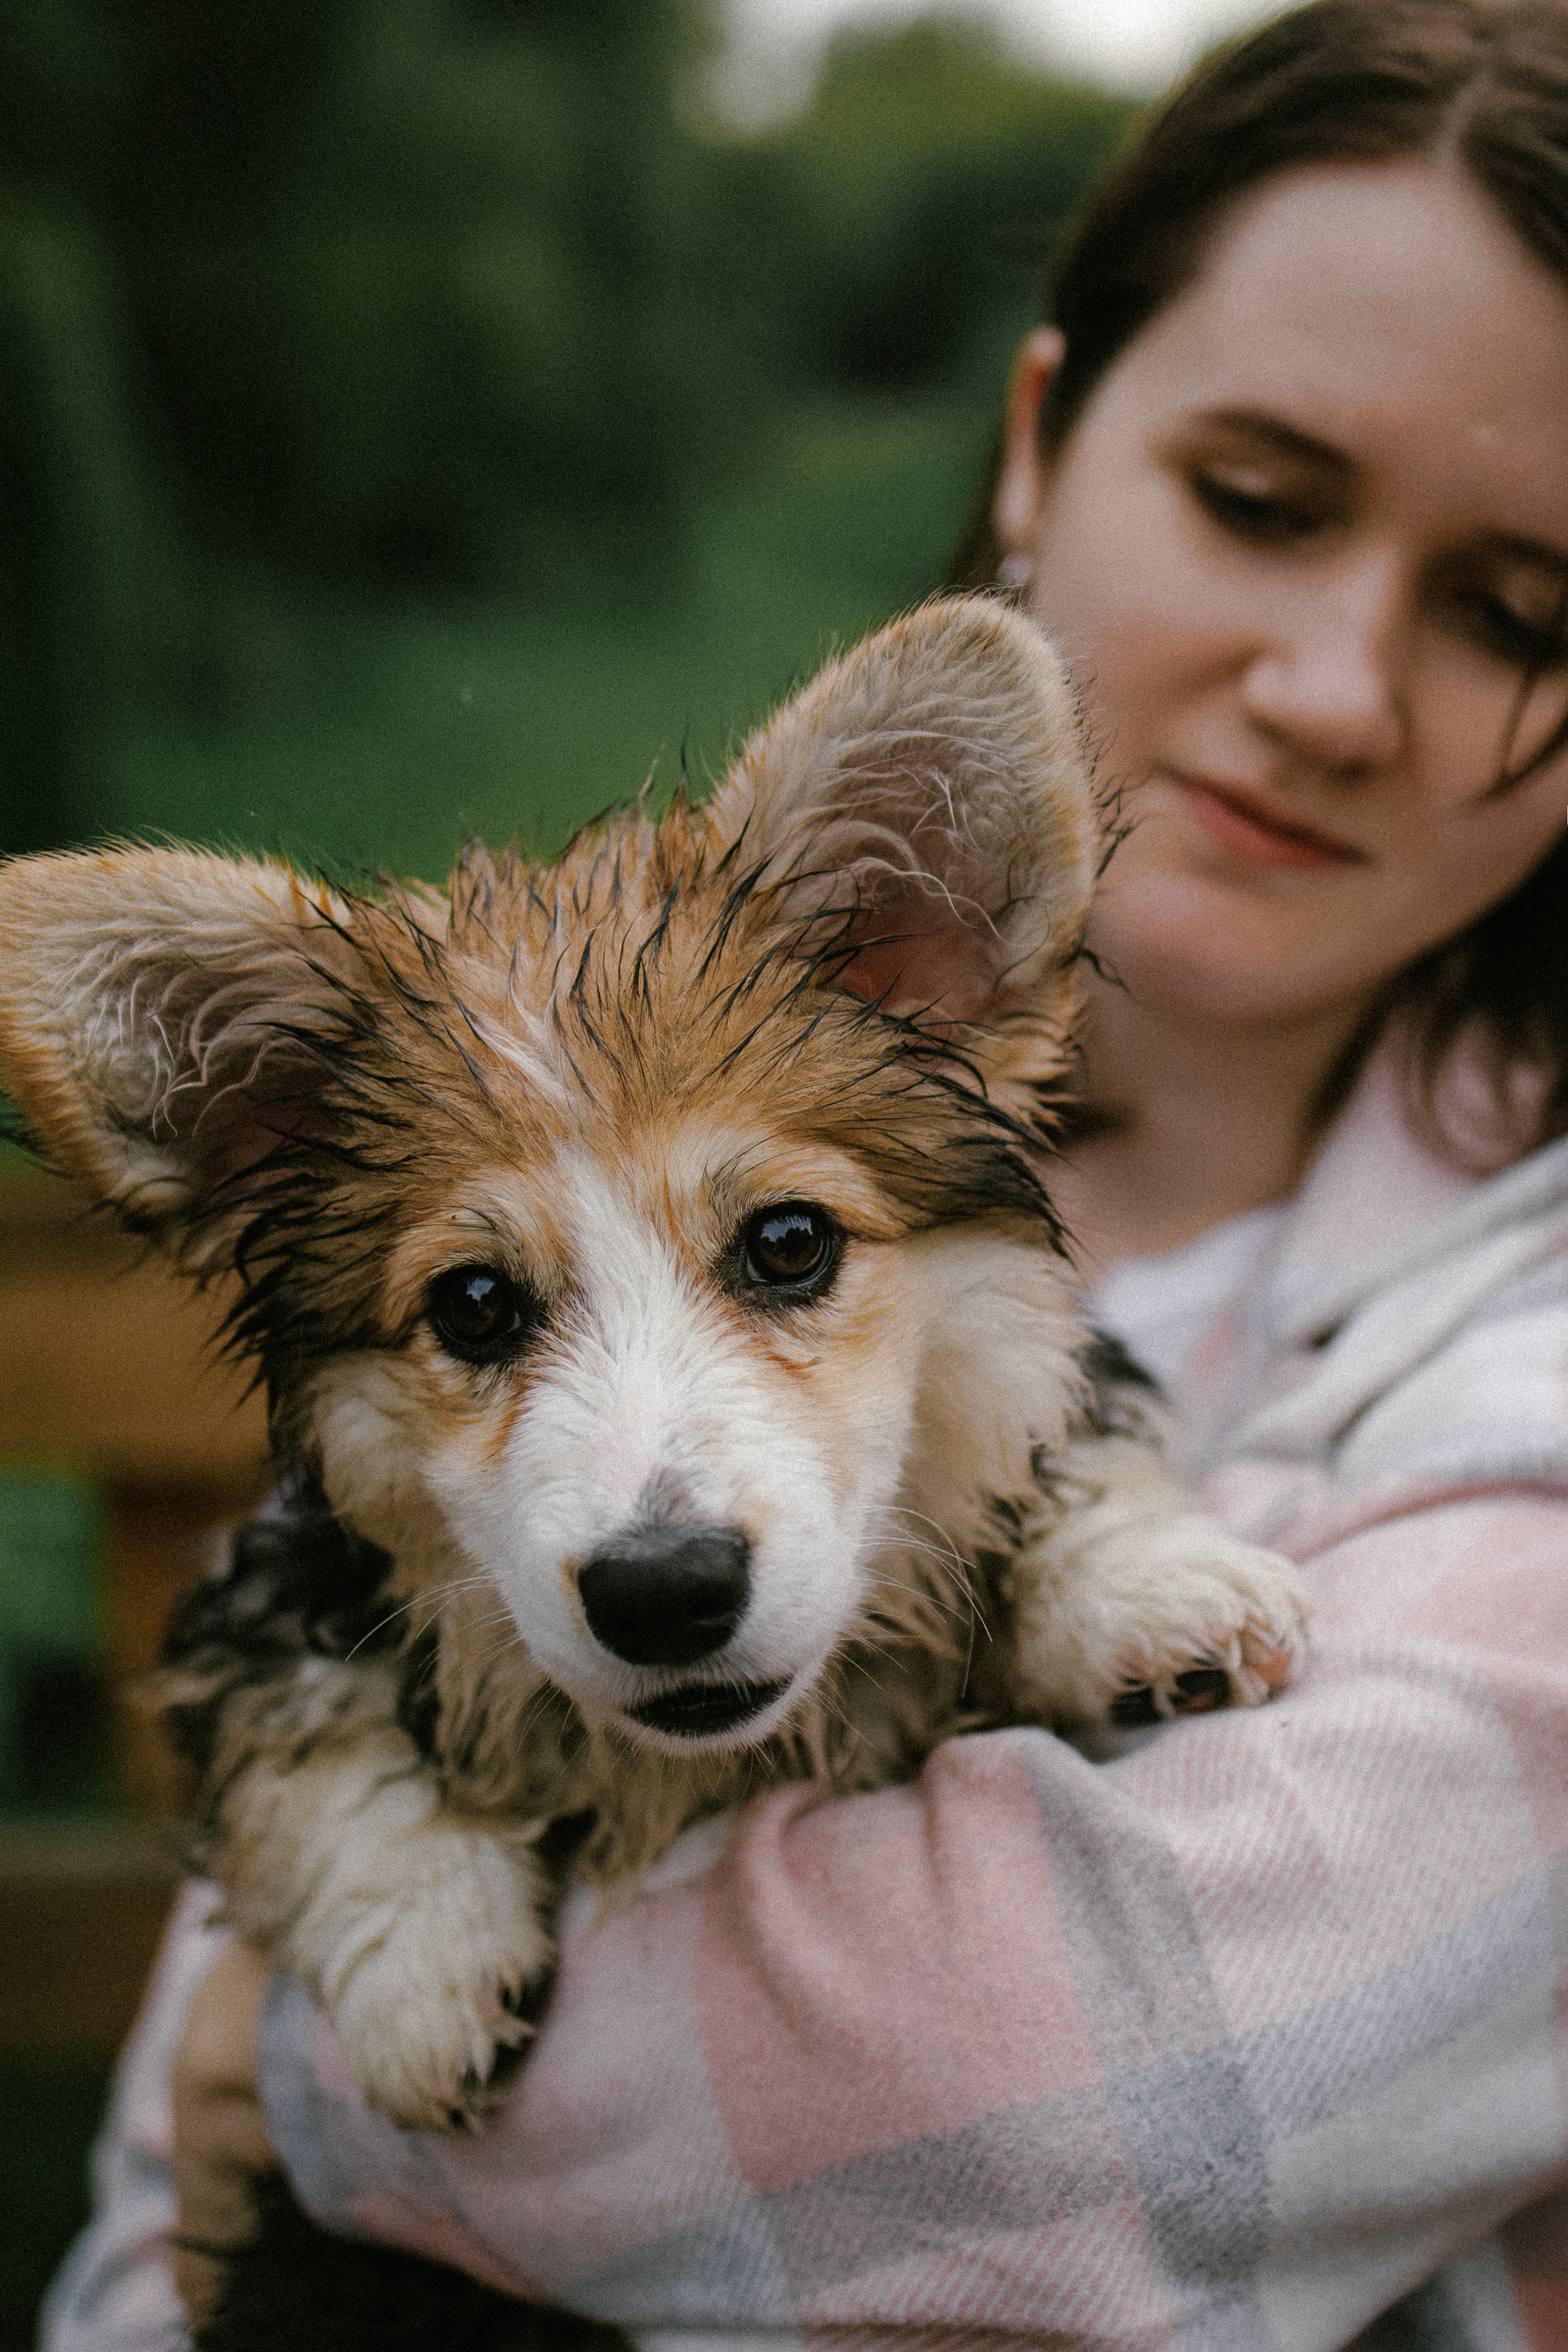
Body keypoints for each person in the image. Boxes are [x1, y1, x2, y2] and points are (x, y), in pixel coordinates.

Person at [42, 0, 1568, 2343]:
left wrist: (309, 2076)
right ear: (1049, 436)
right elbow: (160, 2234)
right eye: (1259, 501)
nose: (1336, 685)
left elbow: (1109, 2113)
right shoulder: (417, 1517)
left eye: (1519, 615)